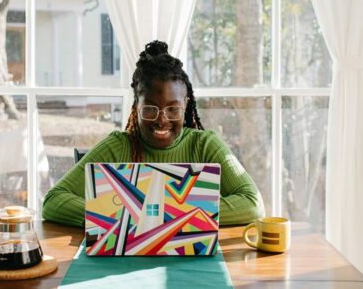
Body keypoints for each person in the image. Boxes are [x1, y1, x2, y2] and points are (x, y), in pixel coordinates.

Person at [42, 40, 265, 227]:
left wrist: (163, 217)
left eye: (173, 109)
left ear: (185, 106)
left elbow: (252, 203)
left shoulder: (204, 144)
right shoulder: (119, 146)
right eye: (150, 108)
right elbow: (53, 201)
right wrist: (116, 217)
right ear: (136, 107)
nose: (161, 119)